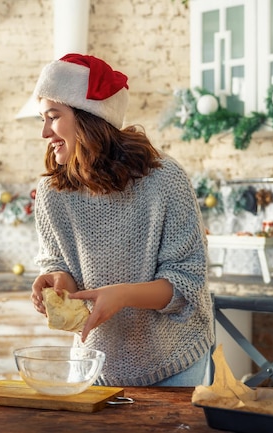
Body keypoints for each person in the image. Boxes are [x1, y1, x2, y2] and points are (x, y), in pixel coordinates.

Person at [30, 54, 215, 387]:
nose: (45, 132)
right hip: (93, 364)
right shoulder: (51, 191)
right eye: (42, 119)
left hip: (173, 360)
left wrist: (123, 295)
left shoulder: (164, 179)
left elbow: (186, 283)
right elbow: (59, 263)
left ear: (88, 118)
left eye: (54, 117)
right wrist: (58, 280)